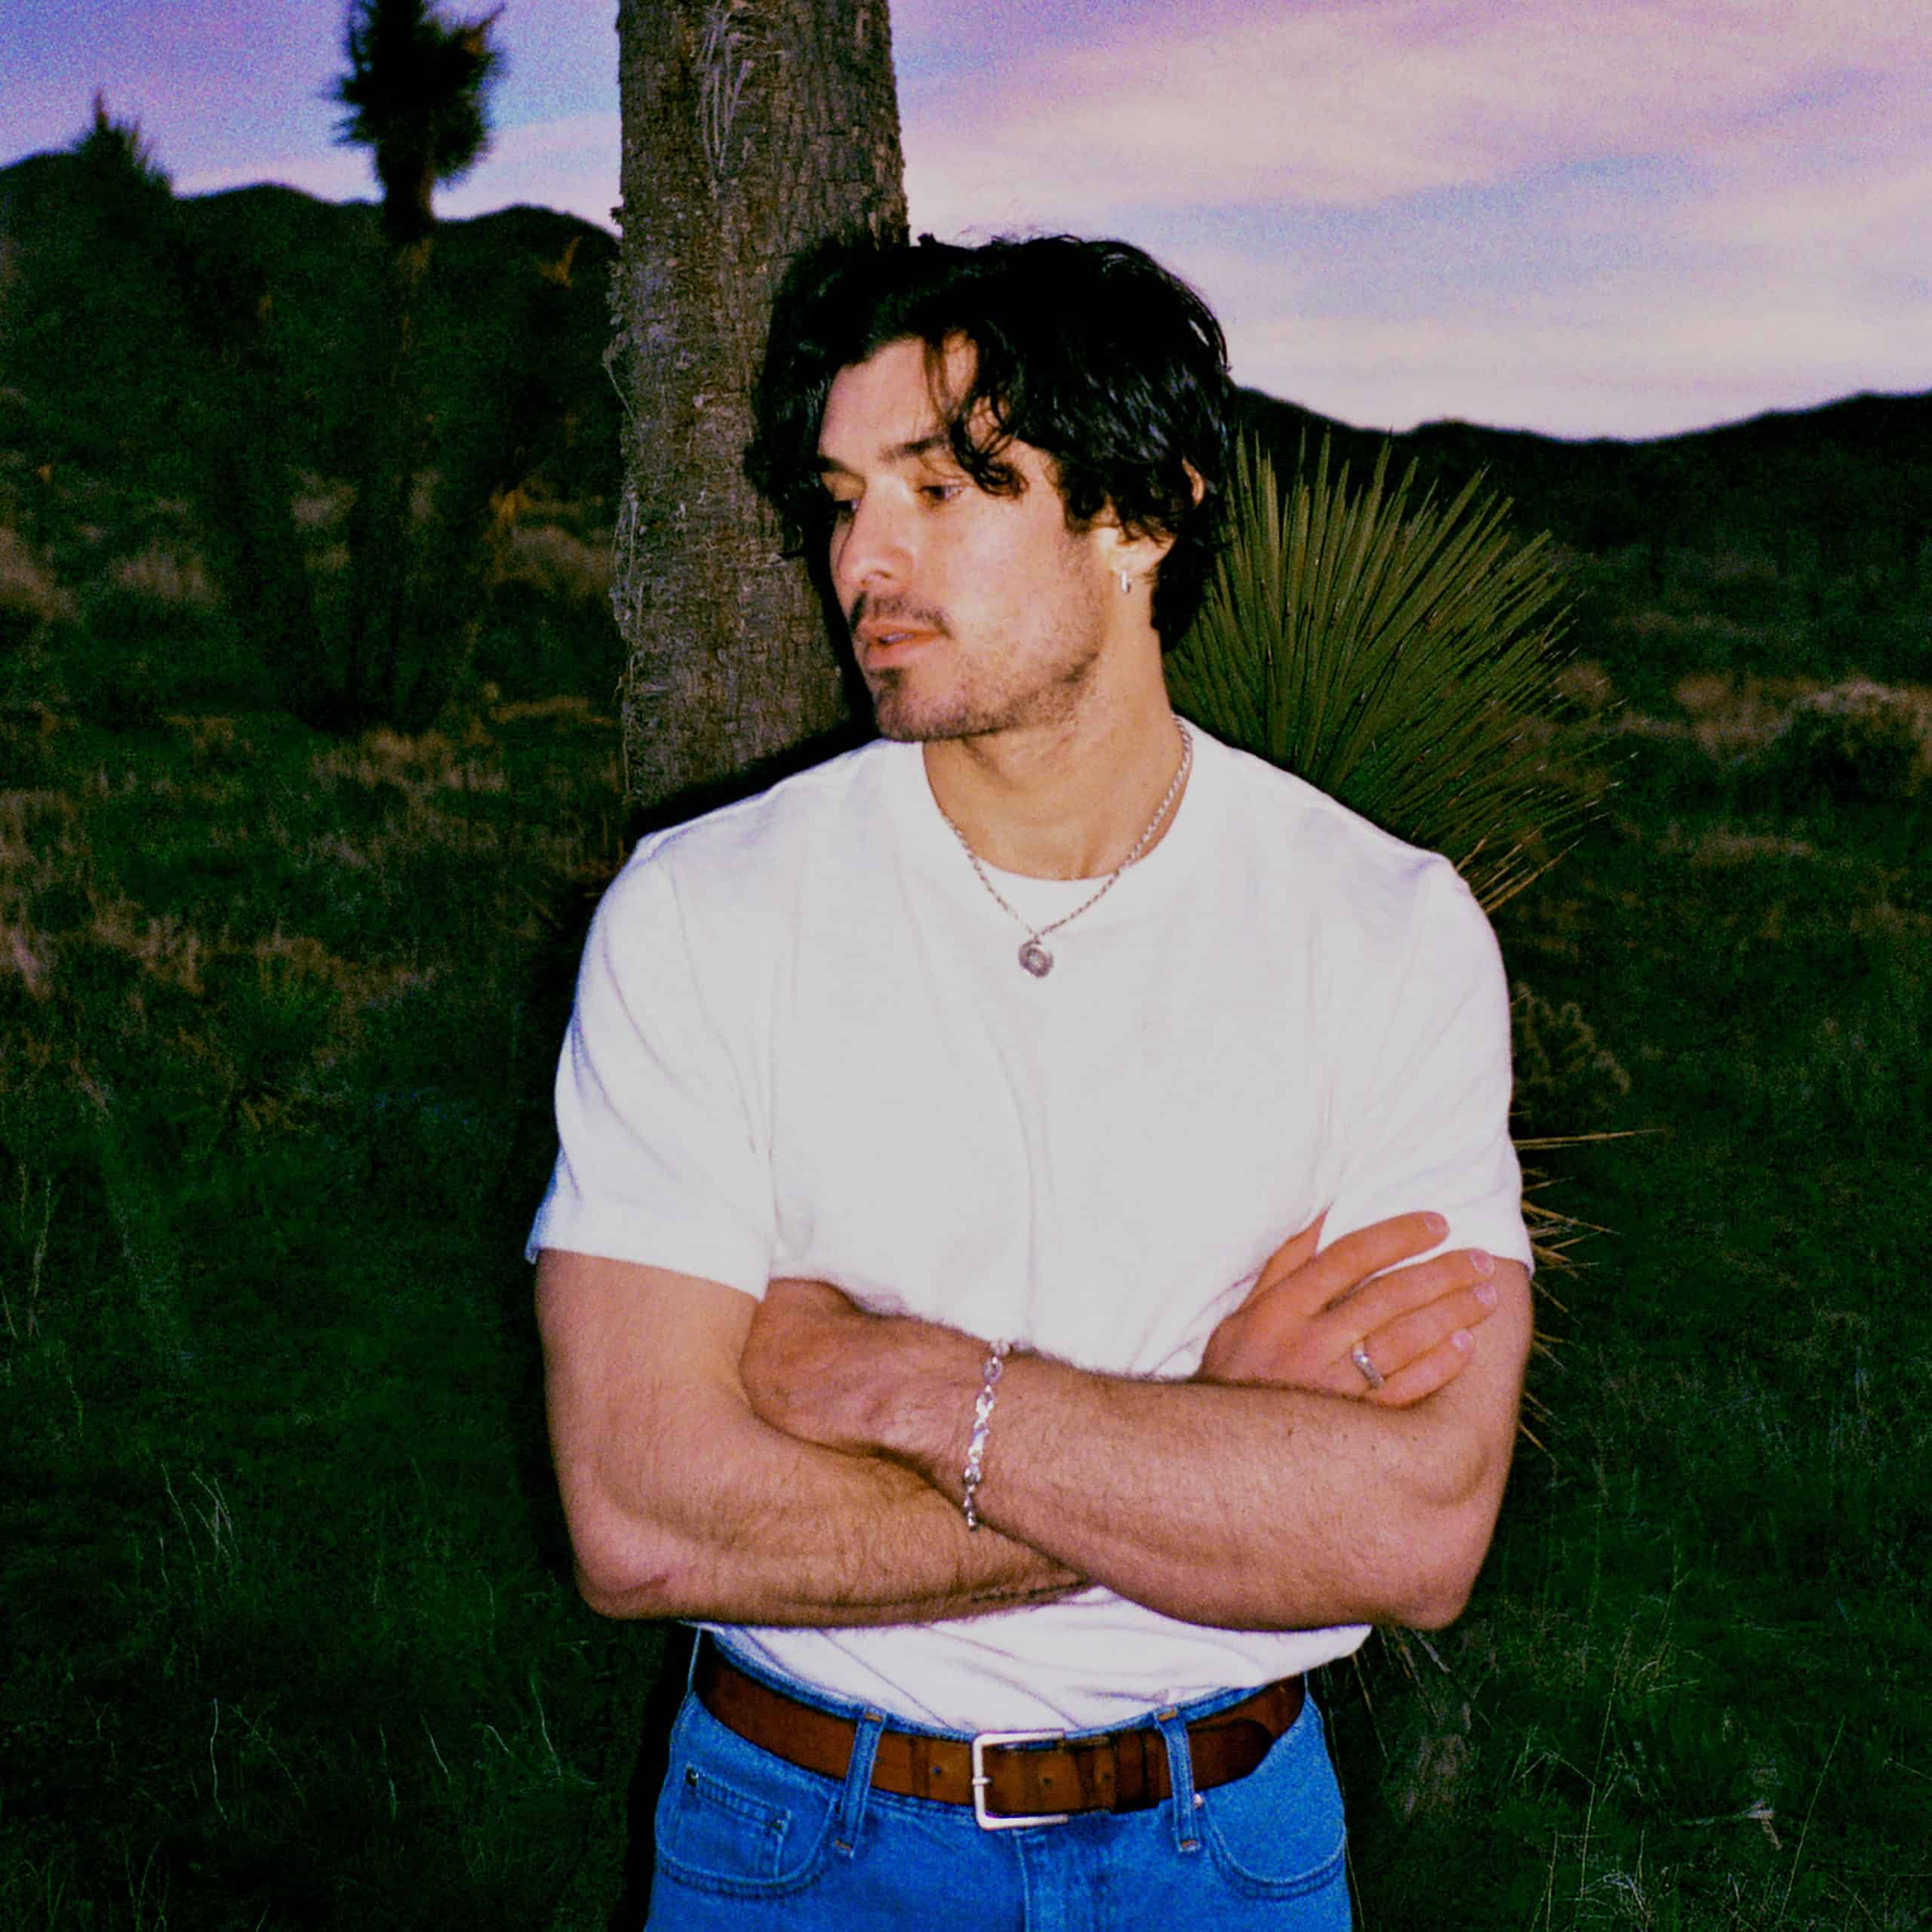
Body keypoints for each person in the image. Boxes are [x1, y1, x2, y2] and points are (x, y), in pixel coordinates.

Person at [530, 234, 1534, 1930]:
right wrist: (1207, 1436)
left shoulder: (1381, 927)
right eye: (844, 500)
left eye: (942, 488)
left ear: (1140, 516)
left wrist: (909, 1384)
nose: (864, 559)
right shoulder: (702, 912)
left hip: (1225, 1849)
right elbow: (640, 1516)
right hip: (798, 1838)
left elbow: (1418, 1528)